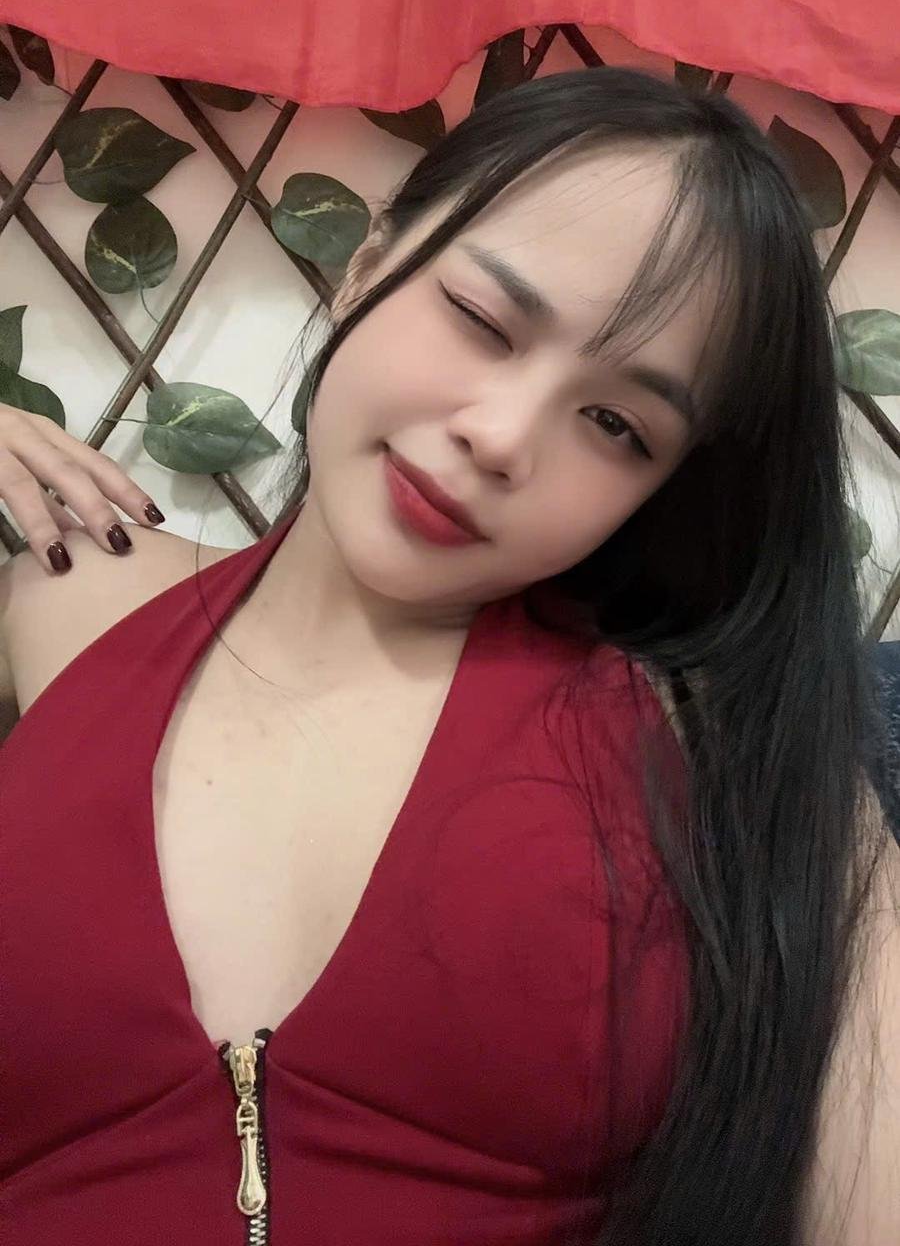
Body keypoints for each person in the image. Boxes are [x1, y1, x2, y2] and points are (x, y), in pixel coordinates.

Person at [0, 67, 898, 1245]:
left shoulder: (734, 749)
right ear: (370, 266)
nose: (501, 436)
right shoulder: (71, 595)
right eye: (482, 320)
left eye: (617, 424)